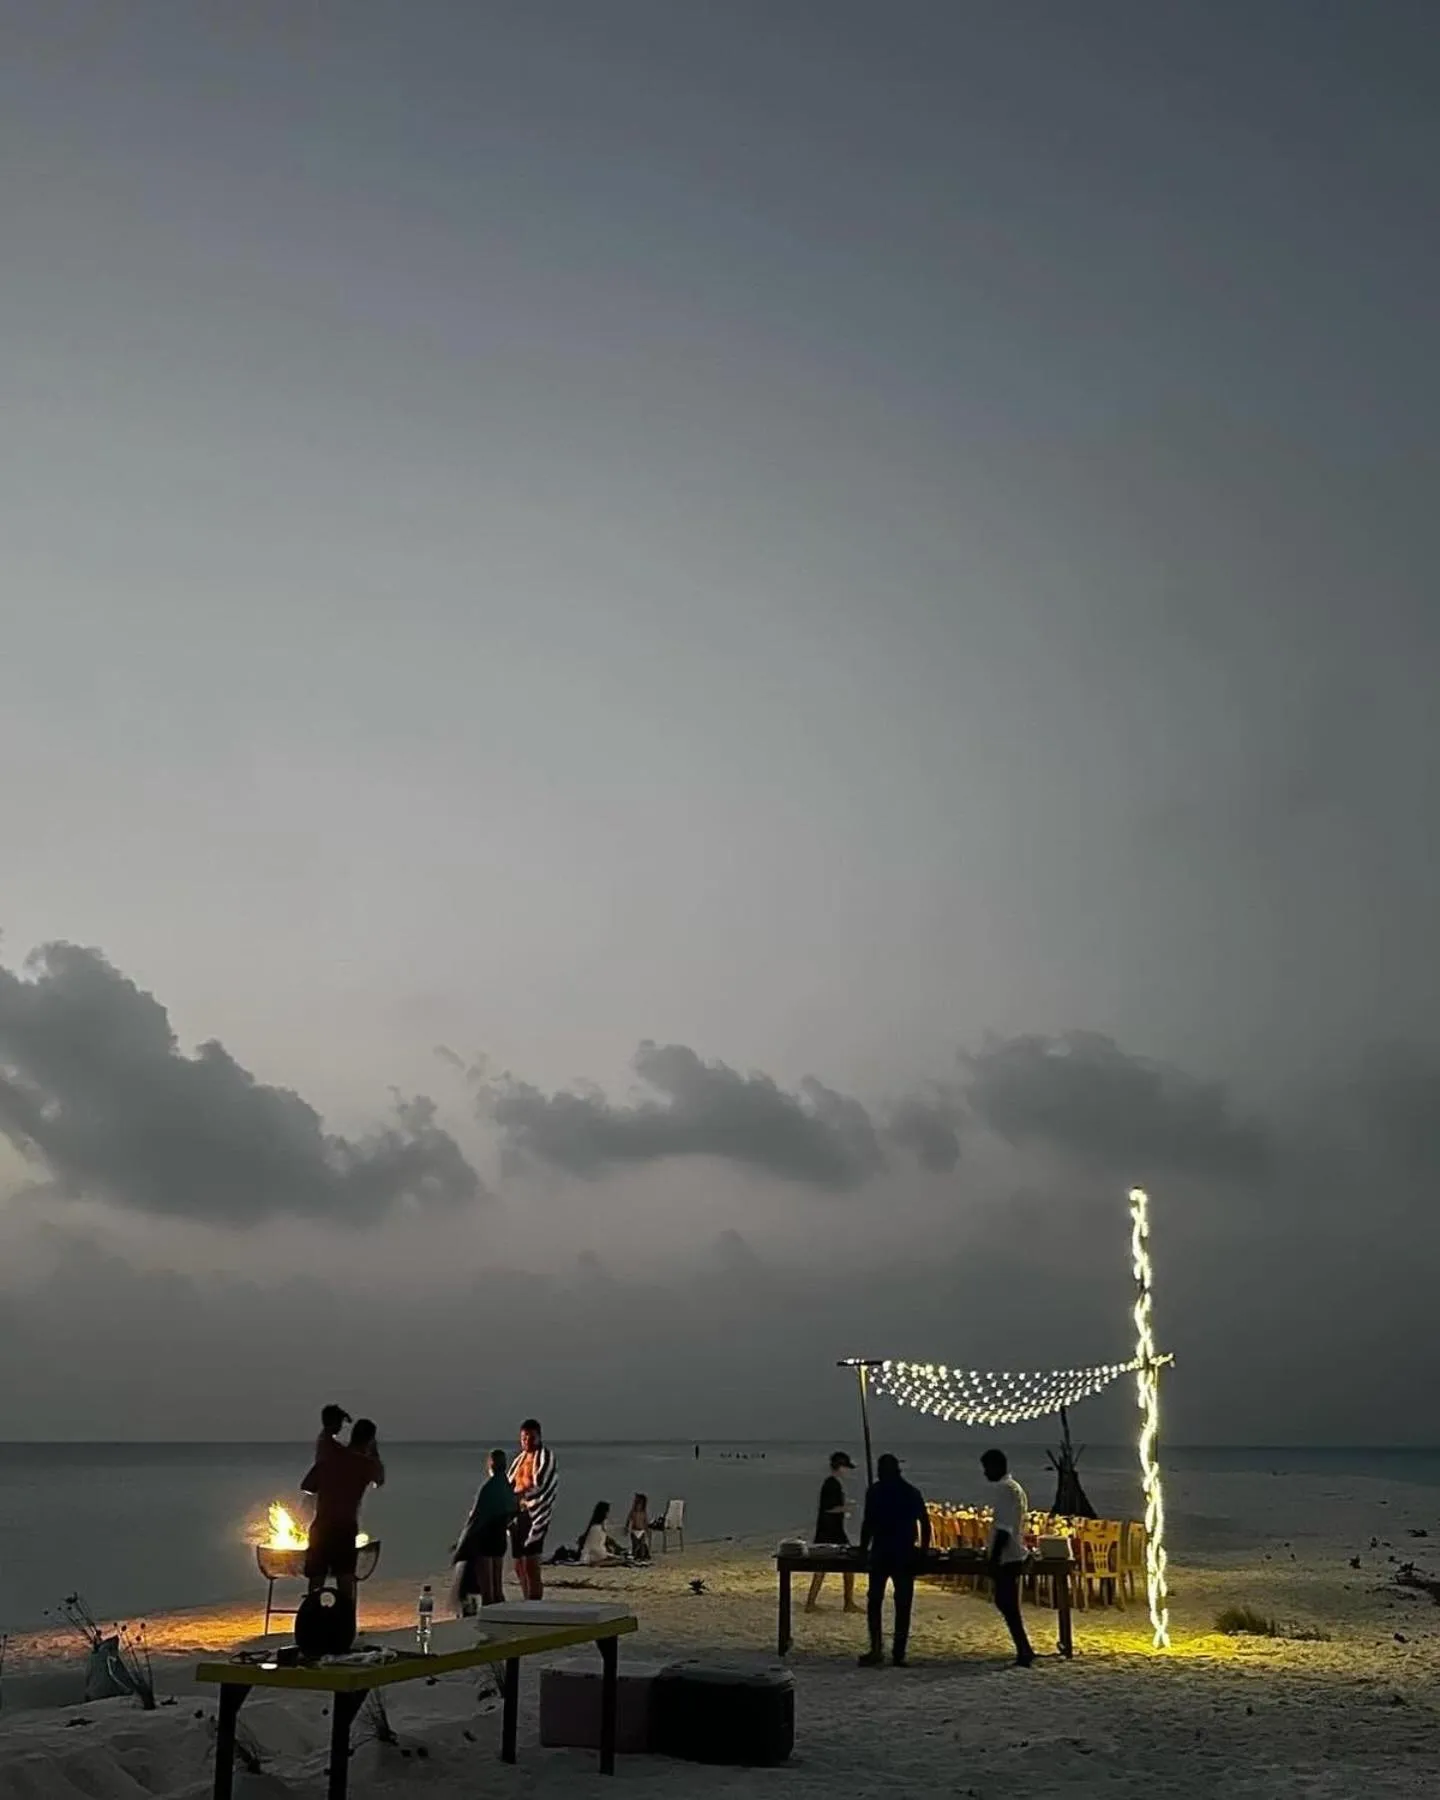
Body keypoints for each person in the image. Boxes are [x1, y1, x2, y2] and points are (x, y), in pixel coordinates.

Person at [299, 1418, 384, 1609]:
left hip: (321, 1524)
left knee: (316, 1576)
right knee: (345, 1576)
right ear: (370, 1440)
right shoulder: (366, 1464)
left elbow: (307, 1486)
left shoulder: (330, 1458)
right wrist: (374, 1453)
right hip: (346, 1526)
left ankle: (312, 1615)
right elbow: (380, 1479)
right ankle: (345, 1619)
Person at [857, 1452, 930, 1668]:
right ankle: (898, 1653)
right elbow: (925, 1524)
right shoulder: (911, 1492)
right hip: (903, 1553)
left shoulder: (875, 1491)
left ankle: (877, 1649)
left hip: (883, 1552)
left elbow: (867, 1524)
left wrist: (862, 1550)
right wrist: (924, 1552)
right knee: (902, 1603)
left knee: (875, 1601)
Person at [982, 1448, 1036, 1666]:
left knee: (1007, 1603)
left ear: (996, 1466)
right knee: (1007, 1603)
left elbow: (1004, 1528)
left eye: (986, 1468)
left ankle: (1024, 1650)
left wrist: (993, 1559)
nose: (985, 1474)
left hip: (1008, 1555)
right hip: (1013, 1553)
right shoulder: (1015, 1488)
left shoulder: (1005, 1489)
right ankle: (1024, 1648)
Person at [452, 1448, 518, 1612]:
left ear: (490, 1465)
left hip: (485, 1540)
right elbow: (513, 1511)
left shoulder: (488, 1488)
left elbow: (476, 1518)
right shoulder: (507, 1487)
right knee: (497, 1589)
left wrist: (462, 1544)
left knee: (487, 1591)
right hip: (500, 1540)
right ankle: (502, 1616)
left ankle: (492, 1622)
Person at [508, 1418, 558, 1600]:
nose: (527, 1441)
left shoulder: (545, 1456)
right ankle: (527, 1597)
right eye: (523, 1438)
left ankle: (535, 1600)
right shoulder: (519, 1459)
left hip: (535, 1515)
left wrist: (519, 1492)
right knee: (518, 1563)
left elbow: (540, 1482)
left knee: (531, 1561)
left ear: (539, 1437)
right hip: (517, 1514)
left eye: (530, 1437)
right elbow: (509, 1482)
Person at [806, 1451, 859, 1614]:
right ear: (840, 1467)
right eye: (845, 1468)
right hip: (831, 1531)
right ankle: (847, 1603)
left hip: (831, 1530)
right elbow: (829, 1508)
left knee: (825, 1568)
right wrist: (847, 1508)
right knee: (845, 1565)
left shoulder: (832, 1483)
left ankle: (844, 1602)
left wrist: (844, 1506)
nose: (847, 1472)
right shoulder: (832, 1484)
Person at [576, 1501, 627, 1566]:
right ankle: (598, 1564)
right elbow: (595, 1548)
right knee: (619, 1560)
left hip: (594, 1554)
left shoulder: (596, 1526)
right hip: (594, 1555)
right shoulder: (597, 1528)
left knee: (619, 1559)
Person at [626, 1493, 652, 1563]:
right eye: (637, 1504)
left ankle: (642, 1556)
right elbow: (629, 1520)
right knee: (635, 1545)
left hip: (641, 1531)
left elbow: (645, 1523)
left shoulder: (643, 1513)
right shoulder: (633, 1512)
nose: (638, 1506)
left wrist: (647, 1531)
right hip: (634, 1531)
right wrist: (627, 1529)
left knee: (642, 1545)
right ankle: (635, 1555)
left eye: (640, 1505)